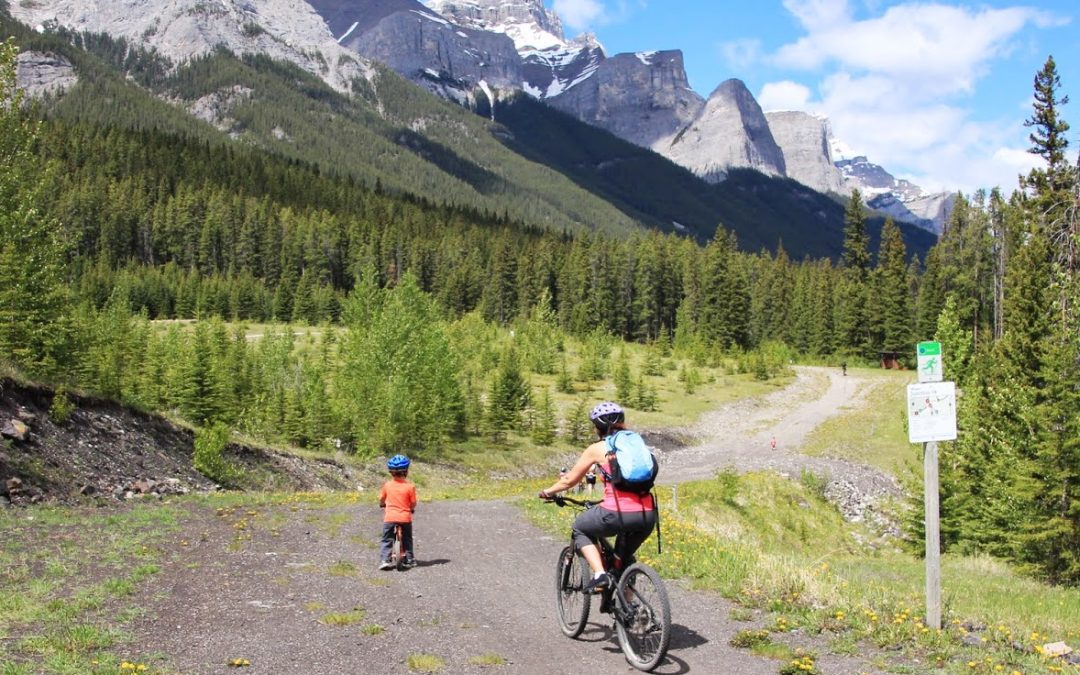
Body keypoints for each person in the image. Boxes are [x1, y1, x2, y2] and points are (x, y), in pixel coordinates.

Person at [539, 401, 657, 594]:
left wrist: (548, 492)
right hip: (647, 515)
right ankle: (630, 609)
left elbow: (569, 480)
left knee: (580, 528)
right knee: (623, 560)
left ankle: (600, 575)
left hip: (616, 513)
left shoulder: (599, 448)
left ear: (598, 427)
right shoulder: (636, 445)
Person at [379, 454, 417, 570]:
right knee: (407, 539)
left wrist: (382, 504)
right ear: (406, 471)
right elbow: (413, 502)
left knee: (387, 539)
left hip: (390, 518)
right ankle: (410, 559)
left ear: (391, 472)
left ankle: (385, 560)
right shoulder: (410, 487)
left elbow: (382, 498)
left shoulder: (387, 485)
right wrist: (411, 508)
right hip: (405, 518)